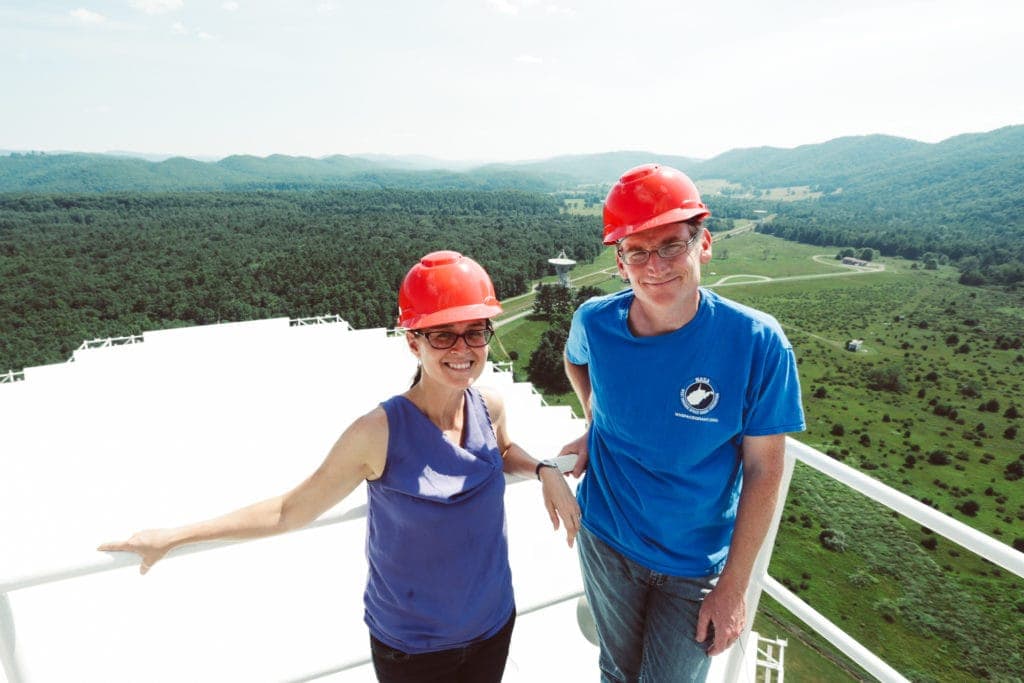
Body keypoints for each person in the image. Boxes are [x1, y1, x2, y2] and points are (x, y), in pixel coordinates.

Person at [99, 250, 581, 683]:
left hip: (493, 622)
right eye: (442, 335)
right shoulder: (378, 432)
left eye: (475, 331)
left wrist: (543, 469)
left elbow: (502, 452)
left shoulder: (488, 405)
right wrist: (174, 536)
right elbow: (288, 510)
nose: (462, 349)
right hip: (414, 650)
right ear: (413, 342)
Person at [559, 164, 805, 683]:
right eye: (638, 252)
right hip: (606, 537)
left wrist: (734, 586)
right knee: (616, 670)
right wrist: (595, 421)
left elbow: (764, 471)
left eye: (672, 244)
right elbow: (575, 361)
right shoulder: (595, 322)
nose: (656, 266)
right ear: (620, 263)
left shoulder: (757, 343)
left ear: (704, 243)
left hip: (692, 561)